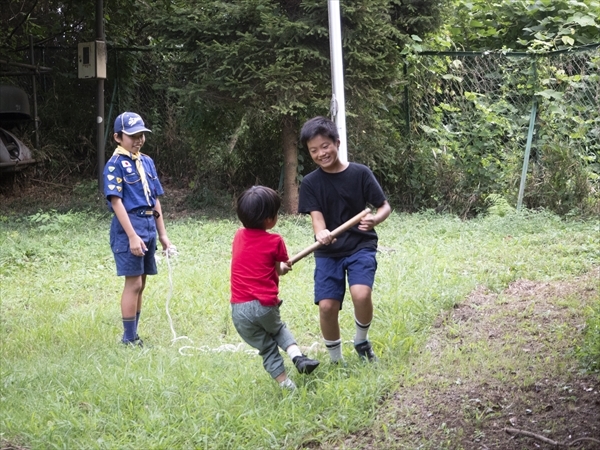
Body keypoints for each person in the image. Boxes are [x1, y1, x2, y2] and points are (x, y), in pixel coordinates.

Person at [298, 116, 392, 363]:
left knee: (361, 294)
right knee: (327, 306)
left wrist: (375, 220)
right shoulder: (310, 183)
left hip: (361, 245)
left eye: (325, 146)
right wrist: (321, 233)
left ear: (337, 142)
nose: (321, 153)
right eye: (314, 150)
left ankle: (361, 341)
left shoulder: (360, 173)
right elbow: (317, 218)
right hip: (328, 253)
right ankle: (336, 360)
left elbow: (383, 206)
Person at [230, 185, 319, 390]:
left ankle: (287, 386)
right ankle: (298, 357)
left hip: (239, 310)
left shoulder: (238, 236)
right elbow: (279, 269)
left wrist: (277, 267)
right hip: (265, 305)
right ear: (270, 219)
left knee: (267, 348)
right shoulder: (275, 240)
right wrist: (283, 268)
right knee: (278, 329)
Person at [103, 111, 172, 346]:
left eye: (141, 134)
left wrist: (163, 235)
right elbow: (116, 202)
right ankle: (128, 338)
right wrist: (132, 236)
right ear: (118, 137)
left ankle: (134, 333)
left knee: (142, 283)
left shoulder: (147, 161)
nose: (139, 139)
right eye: (132, 135)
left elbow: (155, 199)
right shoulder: (115, 165)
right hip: (129, 229)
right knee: (133, 283)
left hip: (148, 225)